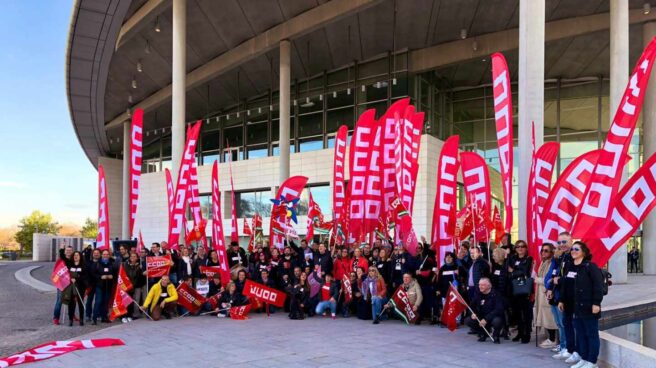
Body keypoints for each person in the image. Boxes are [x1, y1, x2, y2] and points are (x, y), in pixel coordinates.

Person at [558, 241, 604, 368]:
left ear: (583, 252)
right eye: (572, 249)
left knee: (591, 334)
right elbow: (565, 286)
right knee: (581, 333)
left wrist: (596, 303)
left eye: (576, 249)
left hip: (589, 306)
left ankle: (592, 361)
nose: (573, 251)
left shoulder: (590, 266)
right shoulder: (570, 266)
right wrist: (561, 300)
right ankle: (584, 358)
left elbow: (598, 286)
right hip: (575, 307)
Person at [547, 232, 572, 358]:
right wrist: (550, 288)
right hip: (556, 294)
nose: (562, 245)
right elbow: (554, 274)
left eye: (564, 242)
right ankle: (563, 345)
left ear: (571, 241)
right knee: (559, 323)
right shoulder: (560, 257)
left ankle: (567, 347)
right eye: (559, 242)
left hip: (565, 296)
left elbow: (568, 277)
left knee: (564, 323)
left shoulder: (572, 256)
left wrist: (558, 280)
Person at [508, 240, 533, 344]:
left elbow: (525, 271)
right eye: (518, 247)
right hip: (514, 289)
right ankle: (520, 332)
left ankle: (526, 334)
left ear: (526, 248)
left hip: (524, 289)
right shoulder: (513, 258)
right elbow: (508, 269)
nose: (520, 248)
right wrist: (516, 271)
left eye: (522, 246)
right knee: (517, 312)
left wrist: (513, 271)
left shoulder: (528, 258)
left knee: (526, 313)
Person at [464, 278, 504, 343]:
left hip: (492, 317)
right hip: (481, 316)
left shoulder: (496, 294)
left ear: (489, 286)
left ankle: (496, 335)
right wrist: (472, 314)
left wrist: (486, 319)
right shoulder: (478, 293)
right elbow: (471, 306)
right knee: (468, 320)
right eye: (479, 285)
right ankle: (482, 333)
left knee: (497, 321)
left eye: (483, 285)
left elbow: (498, 309)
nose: (480, 287)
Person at [535, 243, 558, 348]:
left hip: (547, 293)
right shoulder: (543, 262)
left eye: (546, 250)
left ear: (551, 252)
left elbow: (549, 279)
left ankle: (553, 339)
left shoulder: (552, 263)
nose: (543, 252)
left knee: (549, 317)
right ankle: (551, 338)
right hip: (541, 293)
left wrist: (537, 280)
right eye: (542, 250)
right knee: (545, 316)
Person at [91, 249, 116, 324]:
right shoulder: (97, 263)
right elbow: (93, 274)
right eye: (104, 254)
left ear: (109, 255)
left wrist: (112, 276)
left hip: (108, 286)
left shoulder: (112, 263)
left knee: (106, 302)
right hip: (100, 286)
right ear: (102, 255)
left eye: (107, 254)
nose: (105, 256)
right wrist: (100, 277)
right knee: (98, 302)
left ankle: (104, 317)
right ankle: (94, 318)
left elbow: (115, 273)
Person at [53, 243, 74, 325]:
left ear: (72, 252)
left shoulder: (73, 260)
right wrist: (61, 248)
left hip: (71, 284)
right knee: (59, 301)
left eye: (70, 250)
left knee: (71, 301)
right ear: (65, 252)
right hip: (62, 283)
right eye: (67, 250)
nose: (68, 252)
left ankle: (71, 317)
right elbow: (61, 254)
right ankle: (56, 318)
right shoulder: (62, 259)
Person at [66, 251, 87, 326]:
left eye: (77, 255)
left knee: (80, 302)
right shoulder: (70, 264)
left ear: (80, 256)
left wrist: (77, 278)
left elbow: (85, 276)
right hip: (71, 286)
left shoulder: (83, 265)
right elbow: (67, 273)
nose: (76, 256)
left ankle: (81, 319)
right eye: (74, 255)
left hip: (80, 286)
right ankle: (70, 319)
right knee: (71, 303)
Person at [124, 252, 146, 321]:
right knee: (136, 299)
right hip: (136, 285)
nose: (133, 258)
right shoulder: (127, 264)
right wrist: (135, 267)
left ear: (137, 257)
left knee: (145, 298)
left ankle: (145, 313)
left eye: (134, 256)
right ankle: (135, 313)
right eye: (131, 256)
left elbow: (144, 272)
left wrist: (142, 269)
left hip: (143, 283)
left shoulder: (141, 263)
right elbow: (131, 275)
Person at [84, 248, 101, 322]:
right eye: (95, 253)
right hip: (90, 285)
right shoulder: (88, 263)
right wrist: (87, 284)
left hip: (99, 285)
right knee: (89, 301)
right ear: (92, 254)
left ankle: (96, 314)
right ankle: (88, 315)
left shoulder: (102, 263)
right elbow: (86, 274)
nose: (96, 254)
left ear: (100, 254)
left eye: (97, 253)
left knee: (98, 301)